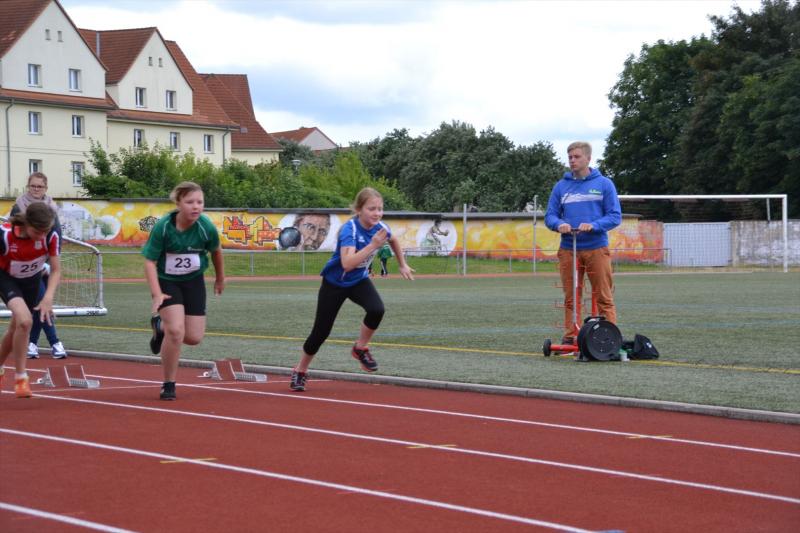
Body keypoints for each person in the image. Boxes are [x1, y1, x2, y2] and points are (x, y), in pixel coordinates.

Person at [290, 188, 414, 392]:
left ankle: (360, 348)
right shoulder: (350, 230)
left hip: (358, 281)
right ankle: (300, 370)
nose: (377, 213)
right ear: (359, 210)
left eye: (380, 209)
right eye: (371, 209)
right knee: (320, 332)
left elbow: (393, 239)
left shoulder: (381, 227)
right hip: (335, 283)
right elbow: (347, 264)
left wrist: (402, 264)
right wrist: (372, 245)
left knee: (377, 309)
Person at [142, 182, 225, 400]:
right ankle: (168, 383)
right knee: (176, 332)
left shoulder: (206, 227)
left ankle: (160, 327)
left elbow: (216, 251)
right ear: (178, 203)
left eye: (200, 202)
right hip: (167, 281)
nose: (196, 206)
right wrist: (156, 293)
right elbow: (149, 262)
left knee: (194, 337)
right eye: (190, 202)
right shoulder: (163, 227)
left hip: (193, 280)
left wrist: (220, 278)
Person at [544, 141, 621, 344]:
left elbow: (615, 216)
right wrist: (559, 224)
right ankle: (571, 336)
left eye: (577, 157)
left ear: (588, 158)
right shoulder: (561, 187)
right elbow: (550, 216)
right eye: (570, 157)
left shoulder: (604, 184)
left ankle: (609, 339)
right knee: (571, 297)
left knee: (604, 296)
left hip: (596, 248)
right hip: (569, 249)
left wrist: (594, 225)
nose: (572, 160)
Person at [0, 203, 61, 398]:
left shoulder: (51, 235)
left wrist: (48, 298)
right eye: (37, 232)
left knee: (16, 327)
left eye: (45, 232)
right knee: (26, 321)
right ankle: (21, 377)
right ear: (26, 224)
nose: (42, 236)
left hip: (31, 281)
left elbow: (56, 270)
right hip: (6, 278)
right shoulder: (5, 236)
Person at [10, 172, 67, 360]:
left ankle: (32, 344)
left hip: (45, 263)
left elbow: (55, 238)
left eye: (39, 186)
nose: (36, 189)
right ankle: (55, 342)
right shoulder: (19, 206)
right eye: (33, 186)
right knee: (39, 303)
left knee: (40, 304)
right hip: (24, 264)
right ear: (28, 187)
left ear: (45, 188)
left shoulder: (51, 209)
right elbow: (15, 237)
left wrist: (48, 264)